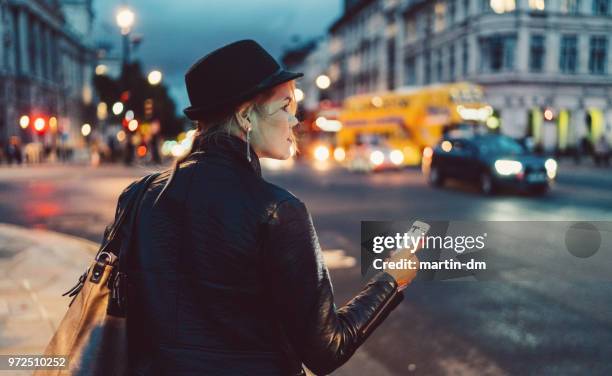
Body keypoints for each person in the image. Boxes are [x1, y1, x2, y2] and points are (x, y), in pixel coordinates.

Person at [123, 40, 418, 375]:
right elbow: (327, 350)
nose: (294, 120)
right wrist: (392, 281)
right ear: (246, 115)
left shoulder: (138, 195)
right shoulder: (278, 211)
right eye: (285, 107)